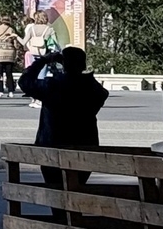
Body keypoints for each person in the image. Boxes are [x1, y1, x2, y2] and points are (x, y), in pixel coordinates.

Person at [21, 47, 109, 190]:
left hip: (53, 143)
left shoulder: (53, 85)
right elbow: (102, 94)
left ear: (64, 63)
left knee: (55, 188)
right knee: (78, 189)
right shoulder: (92, 88)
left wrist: (43, 61)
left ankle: (59, 213)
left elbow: (25, 82)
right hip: (84, 143)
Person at [0, 16, 25, 97]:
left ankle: (0, 90)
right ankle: (11, 91)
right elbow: (15, 42)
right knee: (9, 73)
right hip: (10, 52)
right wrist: (16, 51)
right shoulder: (11, 29)